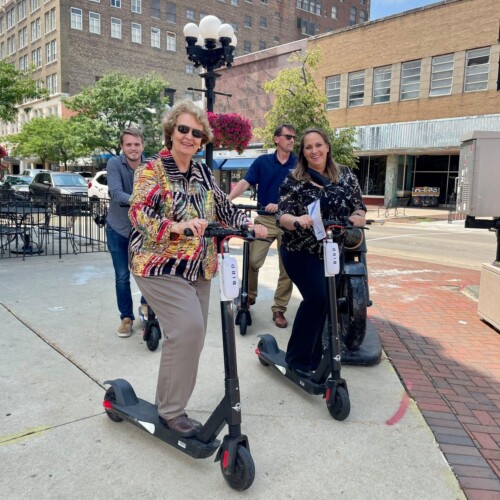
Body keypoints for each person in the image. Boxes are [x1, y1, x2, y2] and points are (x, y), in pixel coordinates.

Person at [128, 100, 267, 437]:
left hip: (199, 268)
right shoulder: (152, 170)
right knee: (187, 330)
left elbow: (223, 206)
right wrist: (176, 227)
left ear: (203, 140)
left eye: (197, 132)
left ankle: (171, 402)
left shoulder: (204, 172)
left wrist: (247, 224)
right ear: (171, 132)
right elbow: (138, 213)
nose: (190, 136)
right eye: (183, 129)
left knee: (192, 336)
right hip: (159, 263)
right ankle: (171, 412)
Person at [276, 127, 367, 379]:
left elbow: (359, 208)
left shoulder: (346, 176)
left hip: (332, 251)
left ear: (327, 146)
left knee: (327, 304)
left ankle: (314, 358)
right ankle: (297, 359)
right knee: (317, 298)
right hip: (299, 250)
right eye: (308, 147)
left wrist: (356, 218)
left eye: (318, 145)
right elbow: (281, 215)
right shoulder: (294, 179)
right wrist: (296, 220)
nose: (314, 150)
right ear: (303, 153)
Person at [227, 124, 297, 328]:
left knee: (287, 269)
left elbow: (304, 192)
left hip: (289, 221)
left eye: (294, 137)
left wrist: (282, 205)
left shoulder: (299, 164)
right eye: (288, 136)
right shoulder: (262, 162)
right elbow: (245, 182)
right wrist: (227, 199)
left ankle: (279, 309)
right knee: (253, 261)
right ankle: (249, 295)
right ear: (277, 139)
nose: (292, 140)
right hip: (265, 220)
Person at [106, 128, 147, 338]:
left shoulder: (151, 166)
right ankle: (126, 318)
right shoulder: (114, 163)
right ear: (123, 147)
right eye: (128, 144)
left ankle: (146, 305)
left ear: (143, 146)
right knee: (122, 276)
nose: (133, 148)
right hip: (118, 228)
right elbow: (115, 193)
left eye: (136, 144)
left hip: (144, 230)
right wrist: (141, 200)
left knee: (148, 272)